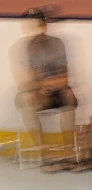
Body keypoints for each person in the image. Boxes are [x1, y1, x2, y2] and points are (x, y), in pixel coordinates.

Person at [10, 8, 79, 172]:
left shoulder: (57, 43)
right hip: (32, 92)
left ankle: (68, 154)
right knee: (27, 100)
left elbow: (65, 78)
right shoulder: (20, 48)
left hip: (54, 90)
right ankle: (45, 154)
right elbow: (23, 83)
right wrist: (41, 85)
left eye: (40, 24)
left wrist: (49, 83)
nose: (37, 29)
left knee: (69, 96)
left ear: (44, 26)